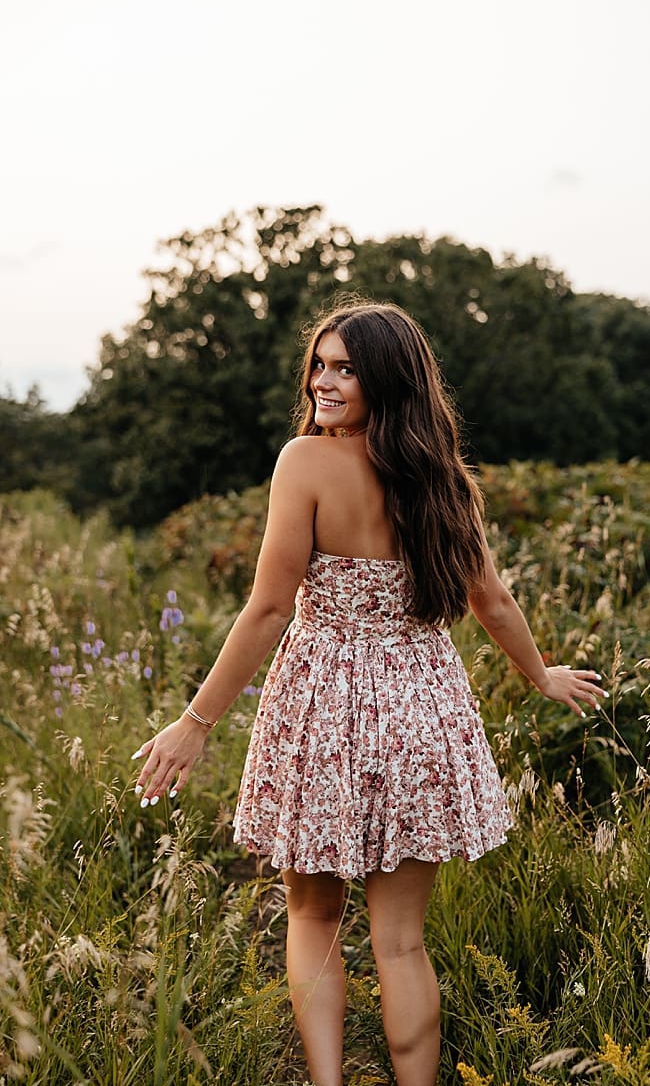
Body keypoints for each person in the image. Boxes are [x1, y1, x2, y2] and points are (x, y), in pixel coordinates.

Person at [131, 302, 607, 1085]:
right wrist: (539, 674)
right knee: (401, 941)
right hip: (422, 701)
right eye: (319, 364)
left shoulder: (303, 463)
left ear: (386, 375)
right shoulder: (442, 474)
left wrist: (195, 722)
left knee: (314, 913)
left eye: (345, 367)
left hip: (322, 704)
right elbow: (493, 602)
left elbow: (269, 607)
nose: (323, 380)